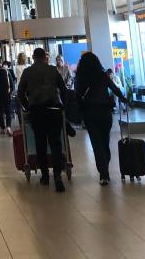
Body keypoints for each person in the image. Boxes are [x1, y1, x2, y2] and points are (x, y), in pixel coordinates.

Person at [18, 48, 68, 192]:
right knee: (56, 143)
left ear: (33, 57)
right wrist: (62, 106)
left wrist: (28, 107)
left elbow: (20, 93)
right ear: (45, 57)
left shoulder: (27, 72)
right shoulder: (53, 70)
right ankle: (58, 176)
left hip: (37, 112)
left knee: (40, 143)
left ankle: (45, 176)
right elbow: (63, 89)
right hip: (54, 111)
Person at [76, 52, 128, 185]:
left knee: (96, 143)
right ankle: (105, 169)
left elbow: (77, 96)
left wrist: (79, 110)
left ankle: (103, 173)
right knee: (105, 143)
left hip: (90, 113)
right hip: (105, 112)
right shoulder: (102, 75)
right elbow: (114, 88)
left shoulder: (81, 77)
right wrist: (123, 99)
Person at [0, 57, 13, 134]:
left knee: (0, 111)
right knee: (8, 111)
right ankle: (8, 127)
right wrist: (10, 92)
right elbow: (11, 83)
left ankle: (2, 128)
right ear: (2, 62)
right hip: (6, 94)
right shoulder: (6, 71)